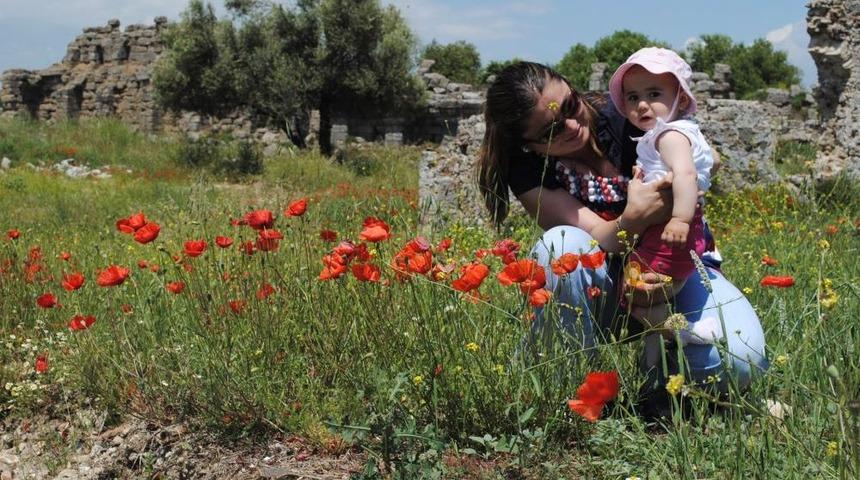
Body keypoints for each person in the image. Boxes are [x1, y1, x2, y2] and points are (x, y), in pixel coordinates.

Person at [477, 61, 768, 406]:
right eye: (550, 132)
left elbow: (709, 159)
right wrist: (634, 217)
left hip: (676, 269)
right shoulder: (526, 168)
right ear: (530, 146)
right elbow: (602, 235)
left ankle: (655, 377)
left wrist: (683, 174)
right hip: (603, 284)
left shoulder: (626, 111)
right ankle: (561, 384)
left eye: (570, 105)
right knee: (559, 245)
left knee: (742, 360)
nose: (572, 125)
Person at [607, 47, 722, 357]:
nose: (642, 104)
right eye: (632, 97)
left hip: (666, 235)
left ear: (680, 99)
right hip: (674, 234)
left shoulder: (668, 135)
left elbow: (685, 173)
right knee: (653, 299)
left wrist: (679, 219)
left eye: (654, 94)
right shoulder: (679, 132)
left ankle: (682, 330)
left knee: (635, 298)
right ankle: (653, 370)